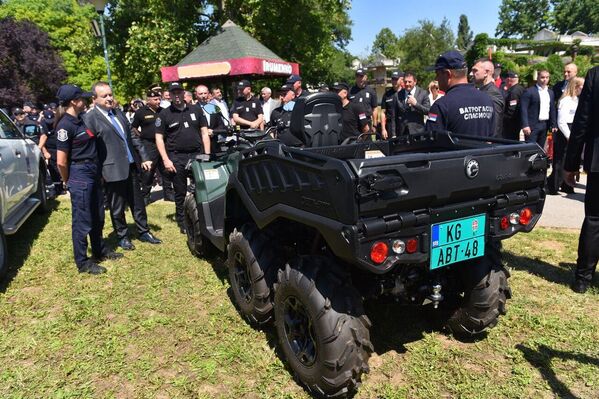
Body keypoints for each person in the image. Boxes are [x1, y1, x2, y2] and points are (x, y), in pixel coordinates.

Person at [83, 81, 162, 250]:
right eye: (104, 96)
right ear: (94, 99)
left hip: (131, 165)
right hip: (110, 169)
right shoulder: (90, 119)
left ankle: (144, 231)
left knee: (137, 201)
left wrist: (145, 157)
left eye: (110, 94)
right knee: (117, 206)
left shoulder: (118, 113)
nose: (110, 98)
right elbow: (91, 149)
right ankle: (123, 236)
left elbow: (133, 137)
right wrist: (99, 171)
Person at [54, 84, 123, 274]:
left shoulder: (81, 119)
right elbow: (61, 161)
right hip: (79, 173)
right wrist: (69, 181)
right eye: (82, 98)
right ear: (74, 102)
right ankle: (83, 262)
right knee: (82, 220)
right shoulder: (65, 126)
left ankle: (99, 250)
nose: (85, 101)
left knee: (97, 215)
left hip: (92, 170)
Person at [155, 81, 211, 234]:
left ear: (184, 93)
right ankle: (183, 222)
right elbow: (159, 138)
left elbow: (205, 133)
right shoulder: (164, 114)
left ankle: (202, 217)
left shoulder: (196, 110)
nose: (177, 95)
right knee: (180, 192)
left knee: (201, 189)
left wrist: (206, 155)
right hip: (176, 157)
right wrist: (166, 160)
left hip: (197, 154)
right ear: (170, 95)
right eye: (173, 93)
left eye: (179, 92)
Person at [563, 66, 599, 293]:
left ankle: (583, 278)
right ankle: (582, 277)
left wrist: (571, 163)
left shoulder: (595, 74)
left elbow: (581, 122)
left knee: (594, 220)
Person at [426, 50, 495, 137]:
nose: (436, 78)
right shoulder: (487, 99)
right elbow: (491, 137)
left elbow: (431, 143)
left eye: (437, 74)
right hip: (483, 150)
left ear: (448, 74)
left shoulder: (441, 106)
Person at [131, 89, 174, 204]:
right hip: (148, 144)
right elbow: (134, 127)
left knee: (166, 170)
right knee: (148, 171)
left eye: (159, 99)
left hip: (163, 143)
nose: (158, 101)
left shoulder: (163, 111)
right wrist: (141, 136)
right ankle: (145, 195)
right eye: (155, 99)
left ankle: (168, 193)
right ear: (148, 100)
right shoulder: (141, 112)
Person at [547, 77, 585, 195]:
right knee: (560, 160)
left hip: (573, 128)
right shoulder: (566, 100)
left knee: (570, 159)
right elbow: (561, 121)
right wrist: (569, 136)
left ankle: (566, 185)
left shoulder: (577, 100)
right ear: (575, 87)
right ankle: (553, 185)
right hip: (565, 131)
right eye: (581, 86)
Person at [520, 69, 557, 147]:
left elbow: (552, 109)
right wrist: (525, 125)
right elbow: (523, 109)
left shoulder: (550, 92)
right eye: (542, 77)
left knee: (540, 148)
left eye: (547, 77)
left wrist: (554, 124)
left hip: (545, 125)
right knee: (530, 148)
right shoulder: (529, 91)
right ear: (537, 78)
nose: (545, 79)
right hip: (532, 125)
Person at [472, 58, 504, 137]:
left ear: (486, 73)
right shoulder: (481, 90)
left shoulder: (493, 93)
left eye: (475, 71)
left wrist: (489, 142)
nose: (471, 74)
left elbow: (495, 124)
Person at [394, 72, 430, 136]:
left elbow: (428, 111)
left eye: (409, 82)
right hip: (402, 133)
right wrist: (394, 133)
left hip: (418, 132)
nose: (407, 84)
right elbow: (394, 116)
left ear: (415, 81)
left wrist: (415, 104)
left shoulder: (423, 93)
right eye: (405, 82)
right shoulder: (397, 95)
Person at [502, 72, 526, 141]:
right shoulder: (521, 88)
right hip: (518, 121)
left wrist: (503, 119)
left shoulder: (513, 92)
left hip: (512, 123)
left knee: (510, 141)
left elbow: (511, 110)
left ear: (509, 80)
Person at [380, 71, 402, 139]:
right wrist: (383, 129)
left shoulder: (405, 93)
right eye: (393, 79)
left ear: (401, 79)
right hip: (390, 126)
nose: (394, 81)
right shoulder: (387, 95)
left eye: (396, 79)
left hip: (402, 125)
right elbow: (383, 113)